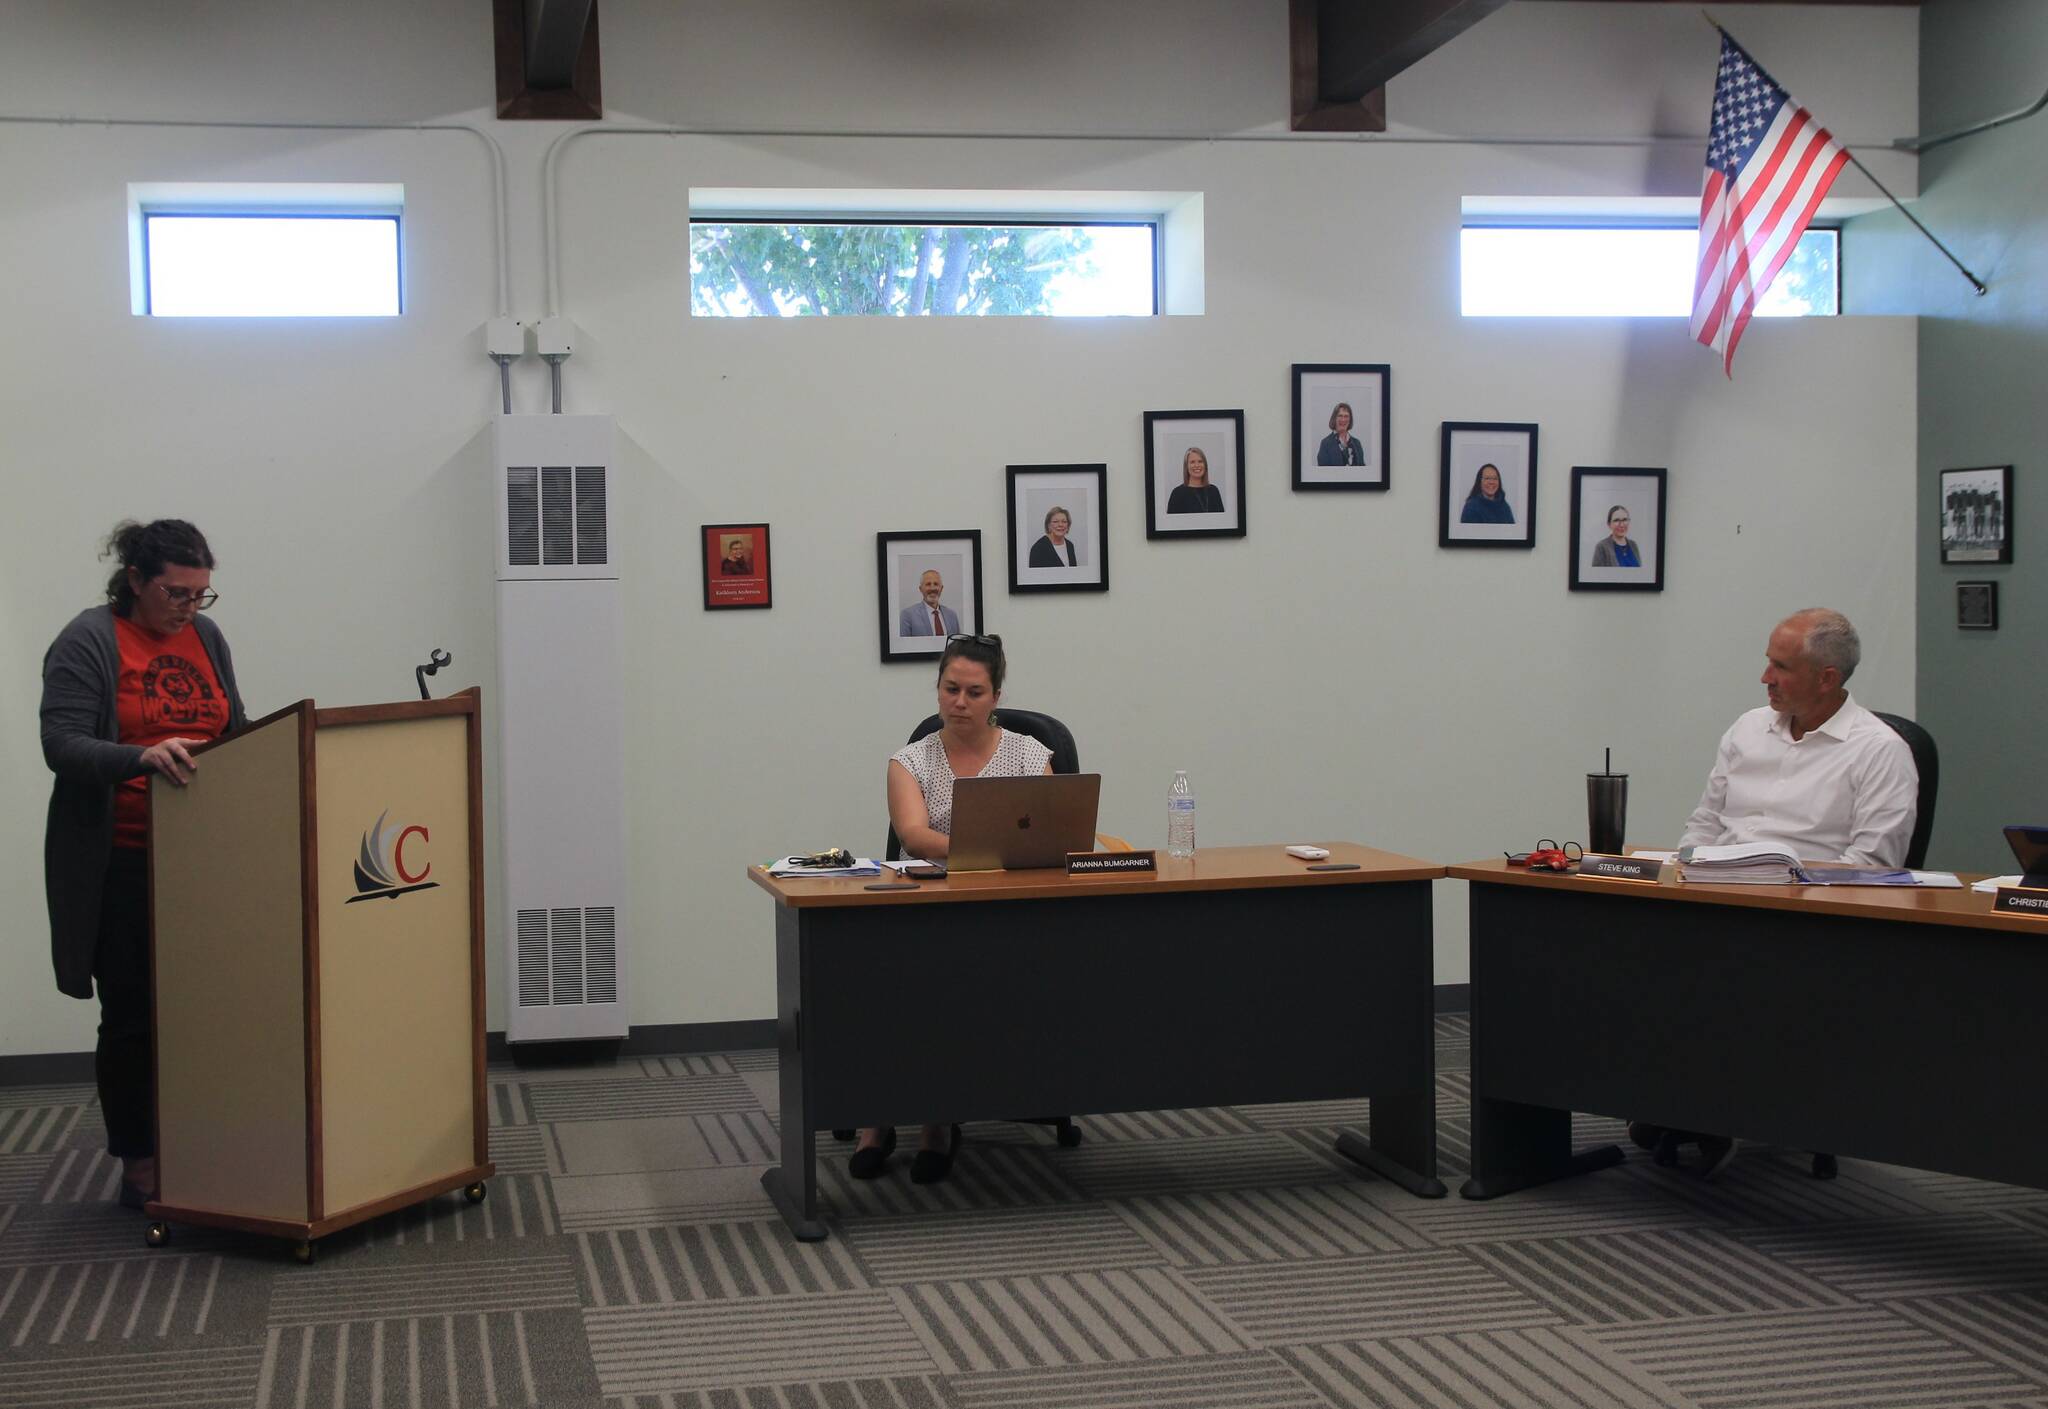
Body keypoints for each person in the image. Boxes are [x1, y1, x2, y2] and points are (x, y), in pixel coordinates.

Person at [1636, 608, 1918, 1181]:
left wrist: (1779, 890)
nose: (1765, 677)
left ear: (1827, 679)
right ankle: (1675, 1099)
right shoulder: (1746, 730)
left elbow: (1872, 868)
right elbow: (1703, 826)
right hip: (1716, 899)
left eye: (1781, 667)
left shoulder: (1879, 751)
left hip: (1807, 920)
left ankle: (1716, 1108)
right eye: (1768, 662)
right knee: (1626, 947)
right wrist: (1685, 873)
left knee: (1718, 973)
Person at [41, 520, 248, 1211]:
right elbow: (62, 743)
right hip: (122, 859)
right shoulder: (89, 639)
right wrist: (141, 754)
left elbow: (235, 729)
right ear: (135, 580)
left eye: (201, 595)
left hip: (203, 859)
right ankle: (141, 1165)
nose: (190, 608)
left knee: (208, 1011)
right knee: (132, 1016)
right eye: (177, 594)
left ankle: (207, 1142)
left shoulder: (206, 638)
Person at [868, 633, 1053, 1184]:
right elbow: (915, 835)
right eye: (951, 689)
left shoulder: (1030, 754)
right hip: (926, 905)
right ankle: (875, 1119)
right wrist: (994, 845)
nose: (960, 702)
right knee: (902, 980)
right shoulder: (910, 760)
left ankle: (937, 1122)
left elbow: (1046, 830)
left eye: (975, 691)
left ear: (996, 695)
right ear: (938, 689)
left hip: (1008, 908)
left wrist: (993, 851)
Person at [897, 569, 960, 636]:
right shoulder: (907, 615)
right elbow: (903, 645)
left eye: (936, 584)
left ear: (941, 589)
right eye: (928, 584)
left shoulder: (952, 615)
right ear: (921, 589)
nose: (932, 588)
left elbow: (959, 644)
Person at [1166, 447, 1224, 513]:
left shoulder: (1214, 491)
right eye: (1192, 462)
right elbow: (1171, 522)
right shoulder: (1177, 493)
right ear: (1186, 467)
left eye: (1200, 461)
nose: (1197, 465)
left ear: (1205, 465)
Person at [1316, 402, 1366, 466]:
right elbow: (1322, 472)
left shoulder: (1357, 443)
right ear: (1334, 418)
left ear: (1350, 420)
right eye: (1340, 416)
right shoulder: (1325, 443)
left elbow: (1362, 469)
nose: (1343, 419)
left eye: (1346, 416)